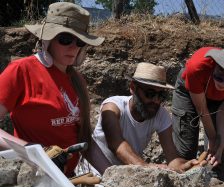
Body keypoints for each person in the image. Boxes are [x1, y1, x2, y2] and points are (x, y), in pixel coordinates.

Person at [0, 2, 110, 177]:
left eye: (80, 41)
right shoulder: (21, 70)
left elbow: (84, 140)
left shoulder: (78, 81)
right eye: (65, 39)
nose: (73, 47)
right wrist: (37, 154)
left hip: (68, 179)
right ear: (47, 39)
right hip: (34, 178)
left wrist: (112, 174)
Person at [91, 62, 198, 173]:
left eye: (161, 95)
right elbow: (116, 145)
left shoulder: (161, 115)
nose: (156, 100)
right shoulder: (112, 107)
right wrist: (145, 167)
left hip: (125, 176)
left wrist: (186, 166)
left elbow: (172, 158)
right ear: (133, 88)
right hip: (94, 173)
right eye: (150, 94)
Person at [171, 41, 224, 180]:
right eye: (219, 76)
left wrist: (220, 143)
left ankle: (217, 181)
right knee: (185, 144)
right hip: (190, 91)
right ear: (216, 65)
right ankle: (182, 179)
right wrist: (212, 136)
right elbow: (201, 108)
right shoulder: (197, 67)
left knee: (218, 151)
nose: (222, 84)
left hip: (219, 101)